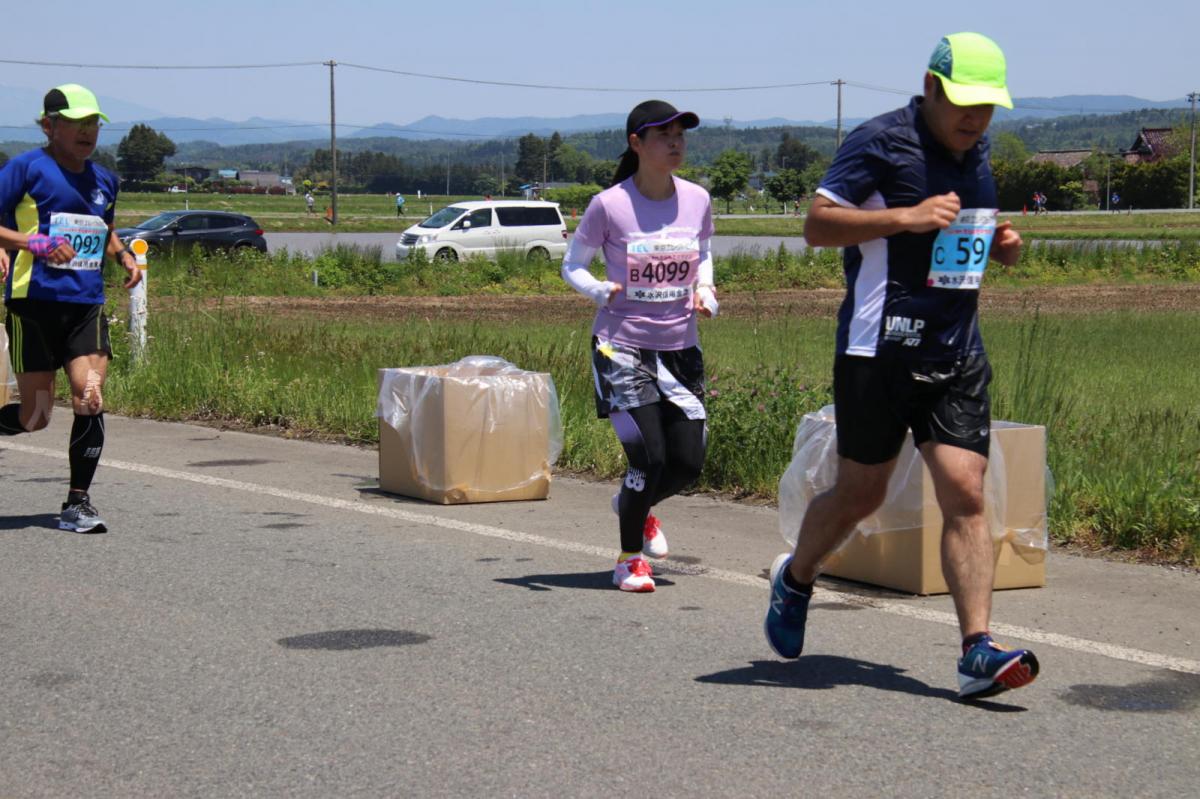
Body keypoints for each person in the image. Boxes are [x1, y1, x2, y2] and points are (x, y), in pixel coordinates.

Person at [762, 33, 1037, 700]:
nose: (977, 119)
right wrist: (905, 217)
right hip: (877, 349)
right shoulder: (880, 141)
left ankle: (977, 649)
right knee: (863, 492)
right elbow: (818, 223)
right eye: (966, 103)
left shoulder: (981, 152)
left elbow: (966, 229)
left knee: (965, 491)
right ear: (932, 87)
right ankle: (796, 576)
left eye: (989, 107)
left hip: (955, 349)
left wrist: (998, 243)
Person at [561, 100, 719, 592]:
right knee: (647, 460)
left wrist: (705, 289)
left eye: (680, 135)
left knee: (688, 463)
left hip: (679, 349)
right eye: (663, 135)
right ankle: (629, 560)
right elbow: (573, 264)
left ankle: (638, 503)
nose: (675, 143)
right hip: (620, 347)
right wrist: (596, 289)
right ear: (636, 144)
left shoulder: (697, 198)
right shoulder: (609, 204)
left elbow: (705, 253)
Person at [0, 84, 142, 533]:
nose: (87, 132)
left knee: (90, 396)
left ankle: (77, 503)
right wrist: (31, 243)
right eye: (77, 123)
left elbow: (105, 225)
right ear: (49, 126)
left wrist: (122, 254)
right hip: (32, 303)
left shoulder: (105, 179)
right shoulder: (25, 168)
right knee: (36, 416)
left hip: (84, 305)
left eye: (93, 123)